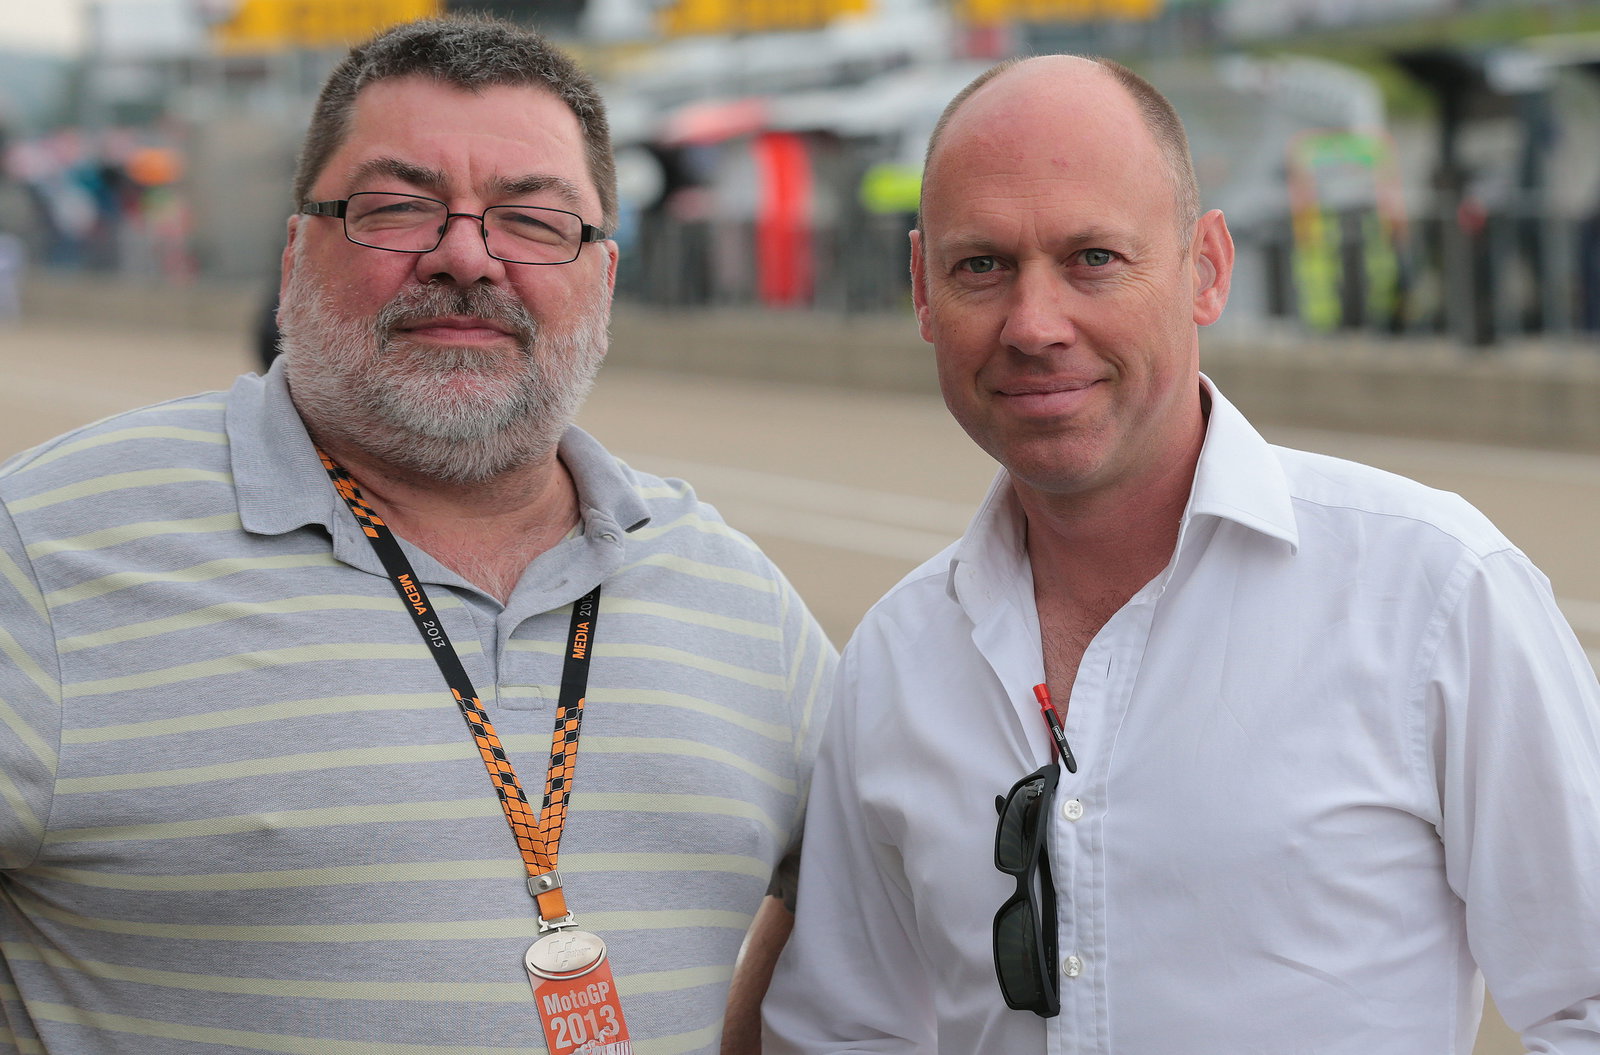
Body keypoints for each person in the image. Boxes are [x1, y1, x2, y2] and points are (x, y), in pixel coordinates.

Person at [0, 17, 832, 1054]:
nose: (466, 255)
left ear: (604, 276)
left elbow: (887, 932)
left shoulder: (743, 604)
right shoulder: (42, 552)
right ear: (296, 249)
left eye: (533, 220)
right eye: (399, 208)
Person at [762, 54, 1600, 1054]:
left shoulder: (1434, 590)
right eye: (982, 264)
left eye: (1094, 259)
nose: (1033, 325)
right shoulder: (894, 657)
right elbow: (838, 1032)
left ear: (1205, 269)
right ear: (922, 289)